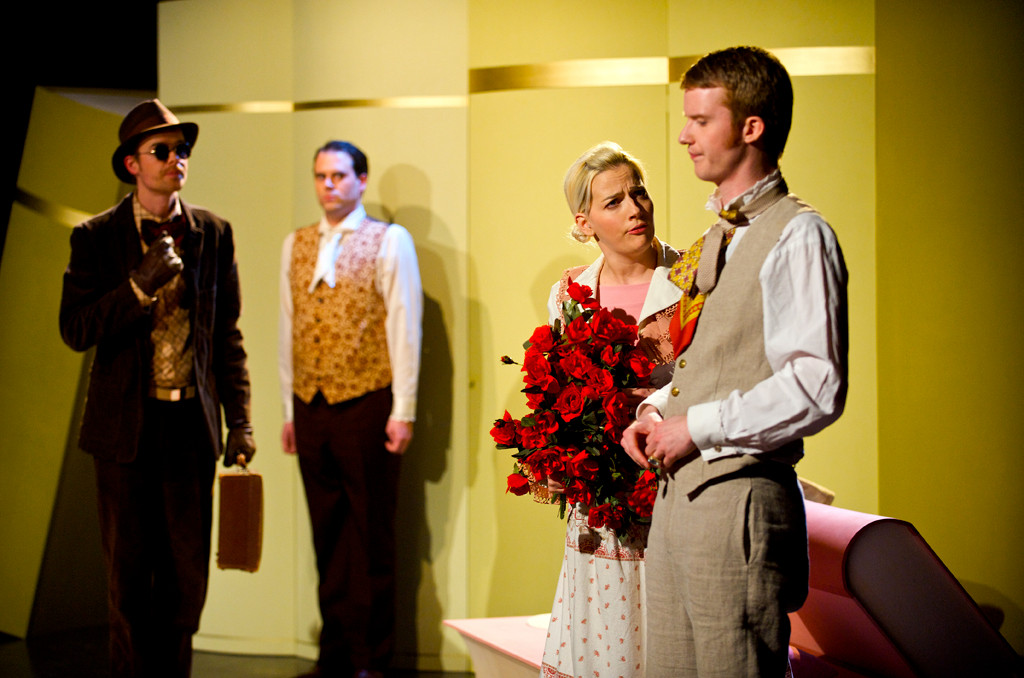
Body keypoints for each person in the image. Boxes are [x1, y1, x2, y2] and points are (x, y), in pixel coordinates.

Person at [622, 46, 848, 677]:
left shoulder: (799, 234)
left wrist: (695, 427)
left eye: (701, 120)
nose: (684, 136)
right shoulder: (718, 236)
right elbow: (711, 357)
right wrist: (655, 411)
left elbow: (817, 386)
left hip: (741, 501)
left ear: (751, 127)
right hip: (679, 498)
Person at [59, 99, 255, 678]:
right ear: (132, 164)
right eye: (162, 150)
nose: (176, 159)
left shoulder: (211, 233)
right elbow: (75, 329)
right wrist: (138, 288)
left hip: (189, 429)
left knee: (185, 585)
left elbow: (226, 334)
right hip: (126, 433)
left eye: (182, 149)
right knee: (128, 587)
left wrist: (240, 419)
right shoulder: (96, 237)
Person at [279, 140, 423, 678]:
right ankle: (335, 655)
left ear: (361, 180)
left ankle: (372, 660)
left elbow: (404, 326)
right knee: (327, 533)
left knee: (370, 534)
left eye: (339, 175)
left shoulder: (389, 240)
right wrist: (289, 409)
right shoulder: (295, 243)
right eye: (320, 176)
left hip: (367, 403)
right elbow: (288, 328)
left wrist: (403, 410)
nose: (328, 185)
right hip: (310, 406)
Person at [540, 141, 680, 678]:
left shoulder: (693, 278)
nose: (635, 209)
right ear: (585, 222)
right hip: (601, 499)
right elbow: (560, 390)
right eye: (614, 201)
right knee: (608, 638)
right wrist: (556, 459)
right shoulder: (571, 292)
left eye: (638, 193)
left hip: (673, 479)